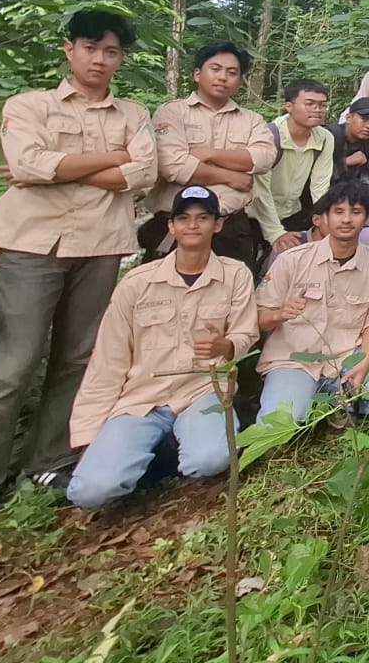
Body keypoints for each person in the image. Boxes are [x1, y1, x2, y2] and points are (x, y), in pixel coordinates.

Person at [0, 10, 158, 530]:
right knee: (10, 367)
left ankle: (48, 461)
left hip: (101, 246)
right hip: (33, 246)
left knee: (78, 358)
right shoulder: (29, 105)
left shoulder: (133, 112)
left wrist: (55, 168)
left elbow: (144, 171)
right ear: (69, 51)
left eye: (111, 52)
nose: (101, 60)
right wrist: (110, 160)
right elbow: (29, 161)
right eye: (91, 48)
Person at [65, 186, 258, 509]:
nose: (193, 226)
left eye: (202, 218)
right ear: (171, 226)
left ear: (218, 224)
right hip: (142, 398)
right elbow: (107, 363)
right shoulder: (137, 284)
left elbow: (245, 335)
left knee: (210, 461)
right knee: (91, 492)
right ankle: (145, 450)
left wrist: (225, 346)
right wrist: (89, 435)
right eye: (183, 218)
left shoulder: (235, 275)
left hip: (202, 389)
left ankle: (169, 450)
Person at [255, 181, 369, 423]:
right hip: (294, 360)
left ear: (368, 218)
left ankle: (335, 401)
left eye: (356, 212)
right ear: (325, 218)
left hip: (348, 357)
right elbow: (258, 319)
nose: (347, 220)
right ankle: (325, 402)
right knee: (276, 427)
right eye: (338, 212)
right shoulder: (291, 260)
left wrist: (365, 359)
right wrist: (280, 314)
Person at [146, 42, 277, 268]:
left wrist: (208, 154)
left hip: (232, 228)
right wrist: (231, 177)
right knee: (167, 296)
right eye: (215, 69)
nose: (223, 77)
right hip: (177, 226)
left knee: (231, 295)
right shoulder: (173, 112)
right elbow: (173, 166)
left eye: (232, 72)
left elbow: (264, 158)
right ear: (198, 74)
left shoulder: (251, 120)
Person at [249, 80, 335, 261]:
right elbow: (260, 190)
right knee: (249, 265)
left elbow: (320, 186)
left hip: (292, 213)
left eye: (322, 105)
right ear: (289, 106)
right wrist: (275, 233)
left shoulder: (325, 138)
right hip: (254, 214)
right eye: (310, 104)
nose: (317, 110)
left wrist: (326, 220)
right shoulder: (269, 136)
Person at [328, 96, 369, 201]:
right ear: (349, 118)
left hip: (349, 197)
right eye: (364, 119)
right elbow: (311, 175)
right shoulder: (329, 136)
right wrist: (346, 162)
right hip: (316, 197)